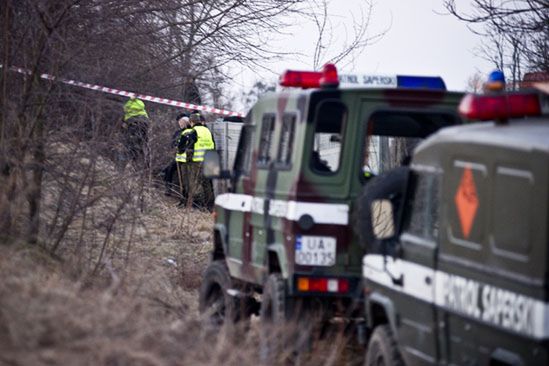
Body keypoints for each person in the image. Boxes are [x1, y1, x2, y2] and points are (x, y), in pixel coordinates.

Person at [177, 111, 215, 209]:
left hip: (197, 161)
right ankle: (209, 205)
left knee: (196, 183)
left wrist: (186, 155)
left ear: (191, 122)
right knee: (206, 183)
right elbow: (213, 145)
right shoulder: (207, 131)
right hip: (209, 160)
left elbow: (189, 146)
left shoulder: (193, 131)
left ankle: (198, 205)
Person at [163, 113, 190, 195]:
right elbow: (172, 143)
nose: (180, 124)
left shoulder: (190, 131)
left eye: (182, 122)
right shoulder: (177, 132)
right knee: (169, 168)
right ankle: (168, 188)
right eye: (179, 123)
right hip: (178, 157)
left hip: (188, 157)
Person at [121, 97, 149, 170]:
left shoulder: (128, 106)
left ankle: (131, 162)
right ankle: (142, 164)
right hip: (144, 124)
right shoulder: (140, 104)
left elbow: (124, 124)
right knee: (143, 144)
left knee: (132, 144)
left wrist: (125, 124)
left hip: (133, 124)